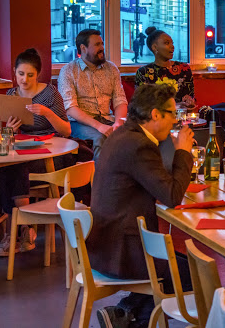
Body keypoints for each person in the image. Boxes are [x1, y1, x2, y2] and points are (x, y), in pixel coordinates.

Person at [87, 83, 194, 327]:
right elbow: (172, 195)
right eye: (172, 114)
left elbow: (153, 181)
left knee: (181, 264)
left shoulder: (123, 134)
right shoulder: (139, 145)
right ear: (156, 114)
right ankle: (132, 319)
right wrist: (183, 152)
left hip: (105, 241)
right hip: (121, 249)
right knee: (190, 274)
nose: (174, 121)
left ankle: (124, 315)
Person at [0, 48, 72, 257]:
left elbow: (66, 130)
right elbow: (9, 136)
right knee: (3, 169)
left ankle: (15, 232)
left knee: (16, 168)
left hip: (53, 151)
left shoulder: (49, 93)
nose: (24, 80)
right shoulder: (12, 94)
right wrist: (9, 128)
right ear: (14, 73)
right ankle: (23, 231)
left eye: (30, 75)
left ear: (38, 75)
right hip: (26, 150)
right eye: (20, 74)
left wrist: (47, 113)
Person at [58, 29, 128, 161]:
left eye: (102, 44)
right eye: (97, 45)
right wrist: (99, 126)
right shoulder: (68, 71)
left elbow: (120, 100)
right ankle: (100, 181)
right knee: (100, 138)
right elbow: (70, 108)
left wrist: (118, 123)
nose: (102, 48)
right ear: (83, 48)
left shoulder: (111, 68)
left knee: (134, 134)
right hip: (79, 123)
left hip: (108, 119)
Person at [135, 27, 196, 109]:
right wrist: (176, 106)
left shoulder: (184, 69)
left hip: (182, 117)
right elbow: (143, 106)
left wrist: (190, 101)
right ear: (155, 48)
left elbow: (191, 96)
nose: (172, 46)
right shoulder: (144, 73)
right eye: (167, 43)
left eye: (172, 43)